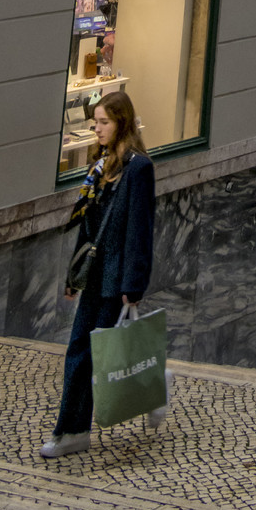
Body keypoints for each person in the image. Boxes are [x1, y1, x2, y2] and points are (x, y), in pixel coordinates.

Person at [42, 89, 157, 459]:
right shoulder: (100, 166)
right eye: (95, 123)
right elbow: (87, 225)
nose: (97, 129)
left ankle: (153, 390)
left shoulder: (138, 168)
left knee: (102, 355)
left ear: (121, 122)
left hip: (116, 281)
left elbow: (140, 230)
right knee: (79, 351)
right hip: (94, 277)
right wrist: (73, 279)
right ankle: (71, 431)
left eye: (103, 122)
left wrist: (133, 285)